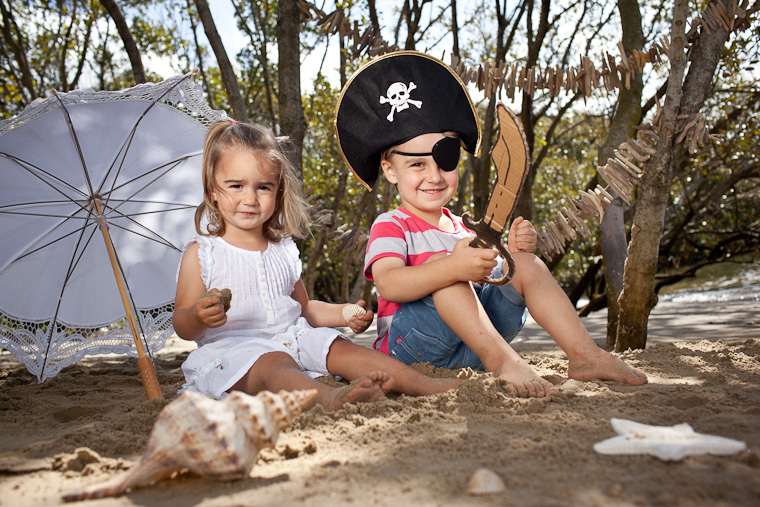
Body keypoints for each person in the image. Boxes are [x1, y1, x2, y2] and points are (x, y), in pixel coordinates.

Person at [334, 51, 648, 398]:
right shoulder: (391, 225)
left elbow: (493, 280)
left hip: (474, 347)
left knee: (525, 264)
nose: (435, 175)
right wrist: (452, 267)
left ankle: (585, 354)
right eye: (418, 165)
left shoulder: (463, 228)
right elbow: (390, 285)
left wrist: (511, 256)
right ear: (391, 170)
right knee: (445, 268)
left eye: (445, 159)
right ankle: (506, 363)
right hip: (411, 350)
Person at [172, 119, 460, 411]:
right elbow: (182, 324)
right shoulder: (203, 253)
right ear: (212, 192)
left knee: (340, 348)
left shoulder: (282, 249)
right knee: (275, 363)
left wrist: (344, 313)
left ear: (278, 190)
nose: (250, 198)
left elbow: (304, 309)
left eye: (263, 187)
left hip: (293, 339)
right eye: (236, 185)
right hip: (235, 357)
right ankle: (326, 398)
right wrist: (198, 316)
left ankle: (422, 384)